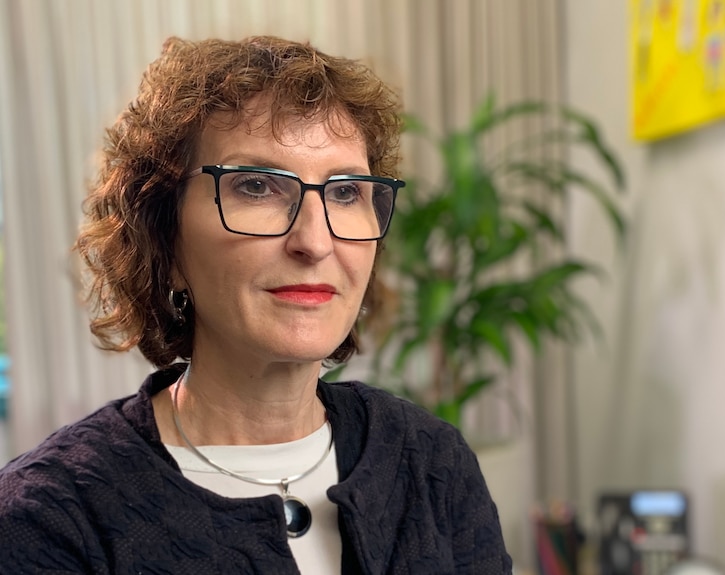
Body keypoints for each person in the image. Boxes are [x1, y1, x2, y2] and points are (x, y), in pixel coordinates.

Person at [0, 36, 512, 574]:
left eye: (344, 193)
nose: (315, 243)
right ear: (165, 240)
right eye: (257, 187)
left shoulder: (432, 461)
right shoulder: (47, 520)